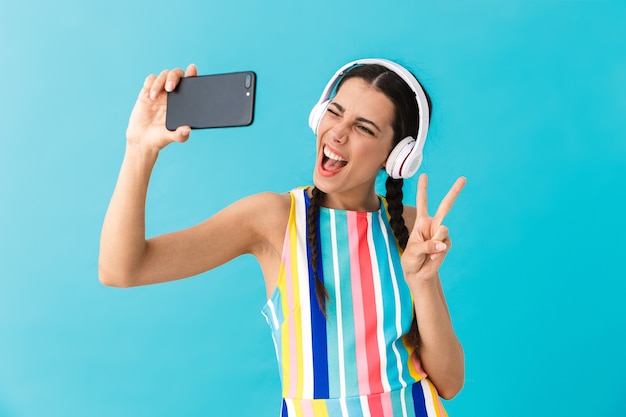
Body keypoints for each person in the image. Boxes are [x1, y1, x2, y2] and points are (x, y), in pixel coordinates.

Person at [99, 58, 466, 417]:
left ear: (398, 156)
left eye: (364, 128)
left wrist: (423, 280)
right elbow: (122, 269)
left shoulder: (410, 227)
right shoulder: (273, 219)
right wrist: (139, 148)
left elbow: (449, 382)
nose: (338, 132)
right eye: (335, 112)